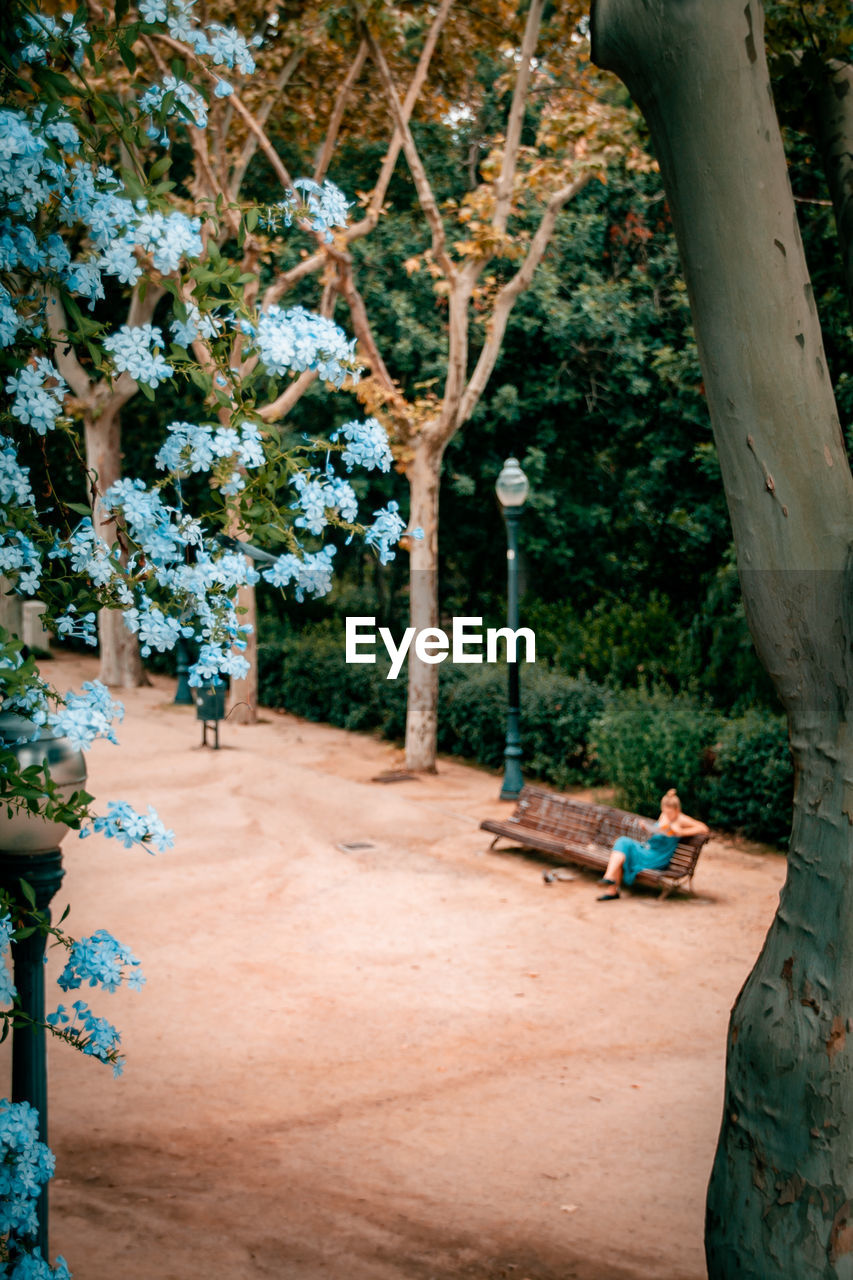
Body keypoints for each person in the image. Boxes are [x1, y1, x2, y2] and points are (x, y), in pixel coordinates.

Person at [597, 788, 708, 900]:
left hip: (657, 857)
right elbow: (659, 833)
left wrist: (681, 832)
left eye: (670, 812)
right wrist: (647, 828)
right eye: (665, 811)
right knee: (623, 842)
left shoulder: (681, 819)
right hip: (648, 849)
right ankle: (609, 880)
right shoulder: (664, 815)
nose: (667, 814)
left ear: (677, 809)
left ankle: (611, 885)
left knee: (624, 847)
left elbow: (704, 828)